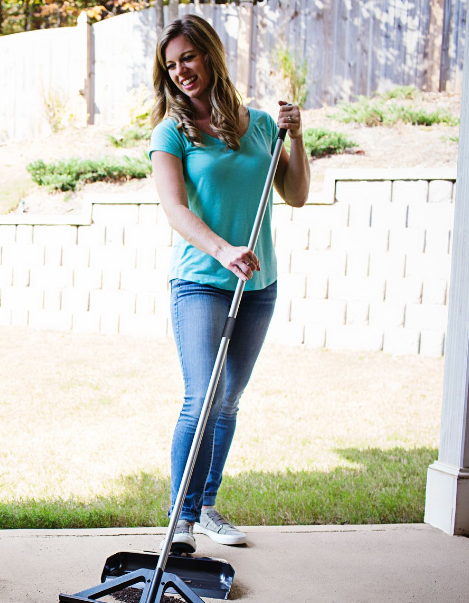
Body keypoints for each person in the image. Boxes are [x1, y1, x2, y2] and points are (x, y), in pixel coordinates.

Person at [148, 14, 310, 554]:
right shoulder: (171, 132)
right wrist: (222, 250)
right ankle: (181, 521)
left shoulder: (261, 123)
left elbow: (296, 194)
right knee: (203, 395)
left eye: (188, 58)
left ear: (210, 55)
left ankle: (208, 506)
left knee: (229, 401)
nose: (180, 73)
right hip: (201, 281)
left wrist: (298, 138)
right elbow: (173, 208)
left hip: (258, 282)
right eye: (171, 66)